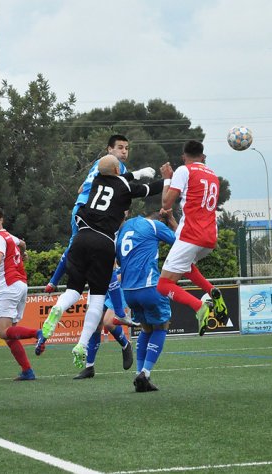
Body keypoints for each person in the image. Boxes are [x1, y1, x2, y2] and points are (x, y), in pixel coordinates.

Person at [37, 155, 165, 368]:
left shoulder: (96, 180)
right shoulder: (124, 186)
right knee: (96, 298)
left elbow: (118, 176)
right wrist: (169, 179)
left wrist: (138, 172)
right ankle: (81, 344)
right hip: (103, 242)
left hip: (80, 239)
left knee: (73, 291)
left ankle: (58, 308)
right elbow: (150, 189)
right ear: (117, 170)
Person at [44, 133, 153, 326]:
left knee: (74, 248)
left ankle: (53, 282)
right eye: (120, 147)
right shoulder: (115, 168)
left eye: (127, 148)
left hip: (80, 209)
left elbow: (80, 189)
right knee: (106, 260)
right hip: (94, 215)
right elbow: (126, 188)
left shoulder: (100, 166)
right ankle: (120, 311)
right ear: (109, 150)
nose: (124, 151)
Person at [155, 140, 228, 336]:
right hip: (210, 237)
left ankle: (199, 306)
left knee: (163, 286)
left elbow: (166, 203)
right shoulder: (213, 176)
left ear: (183, 156)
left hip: (191, 236)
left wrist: (167, 179)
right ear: (203, 156)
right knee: (186, 267)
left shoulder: (184, 170)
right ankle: (212, 291)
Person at [0, 205, 43, 380]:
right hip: (20, 285)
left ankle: (37, 333)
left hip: (8, 286)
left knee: (2, 332)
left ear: (1, 220)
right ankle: (27, 371)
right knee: (10, 335)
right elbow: (22, 243)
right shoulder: (8, 236)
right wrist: (23, 254)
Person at [116, 210, 177, 392]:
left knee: (146, 328)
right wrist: (172, 221)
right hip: (149, 286)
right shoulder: (154, 226)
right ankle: (146, 372)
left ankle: (140, 374)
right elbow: (180, 243)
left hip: (129, 291)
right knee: (162, 326)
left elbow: (119, 261)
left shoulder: (123, 230)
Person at [72, 267, 135, 380]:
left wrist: (116, 278)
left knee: (108, 322)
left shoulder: (117, 249)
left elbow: (127, 266)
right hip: (100, 286)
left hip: (117, 286)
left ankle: (126, 344)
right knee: (95, 326)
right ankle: (89, 367)